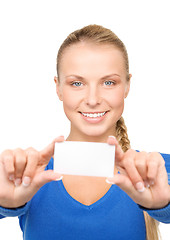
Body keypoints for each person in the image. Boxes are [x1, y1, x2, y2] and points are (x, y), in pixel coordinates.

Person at [0, 24, 170, 240]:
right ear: (58, 88)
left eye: (109, 82)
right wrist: (5, 203)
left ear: (127, 86)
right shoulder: (24, 174)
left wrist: (163, 206)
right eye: (77, 83)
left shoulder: (158, 171)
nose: (92, 99)